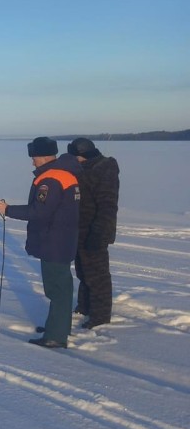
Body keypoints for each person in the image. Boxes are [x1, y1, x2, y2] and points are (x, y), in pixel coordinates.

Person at [0, 137, 81, 348]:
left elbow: (39, 211)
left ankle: (56, 336)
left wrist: (8, 210)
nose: (32, 162)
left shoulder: (51, 179)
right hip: (63, 238)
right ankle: (59, 326)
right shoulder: (65, 174)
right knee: (62, 286)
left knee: (56, 289)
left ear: (43, 157)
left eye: (34, 157)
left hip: (54, 240)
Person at [68, 137, 120, 329]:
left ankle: (100, 316)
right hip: (80, 230)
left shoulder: (104, 169)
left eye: (75, 157)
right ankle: (84, 307)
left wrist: (99, 233)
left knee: (98, 276)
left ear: (82, 155)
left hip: (95, 230)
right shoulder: (85, 167)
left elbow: (107, 206)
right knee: (83, 272)